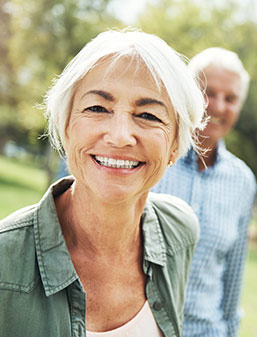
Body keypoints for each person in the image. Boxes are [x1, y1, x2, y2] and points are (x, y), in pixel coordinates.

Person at [0, 29, 206, 337]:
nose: (120, 135)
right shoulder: (5, 260)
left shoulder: (179, 230)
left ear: (175, 144)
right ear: (64, 125)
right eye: (97, 108)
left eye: (148, 115)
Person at [152, 47, 257, 337]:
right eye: (208, 92)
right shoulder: (152, 157)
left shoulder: (243, 181)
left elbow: (233, 282)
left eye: (231, 98)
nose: (219, 106)